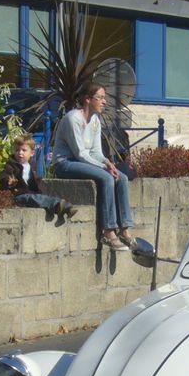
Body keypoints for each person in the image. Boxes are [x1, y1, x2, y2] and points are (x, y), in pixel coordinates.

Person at [51, 82, 134, 251]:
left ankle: (125, 229)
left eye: (105, 98)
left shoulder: (95, 120)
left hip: (83, 161)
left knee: (122, 178)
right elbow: (80, 153)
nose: (104, 102)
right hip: (66, 163)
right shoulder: (73, 118)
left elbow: (96, 152)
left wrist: (107, 162)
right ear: (88, 99)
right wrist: (104, 169)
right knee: (106, 178)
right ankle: (108, 232)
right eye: (100, 98)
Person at [0, 134, 77, 221]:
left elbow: (34, 183)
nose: (20, 153)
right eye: (17, 150)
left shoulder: (31, 167)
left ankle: (65, 207)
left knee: (40, 197)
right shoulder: (11, 165)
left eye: (24, 150)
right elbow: (4, 175)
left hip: (29, 194)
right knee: (33, 198)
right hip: (17, 196)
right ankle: (58, 205)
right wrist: (8, 181)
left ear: (32, 153)